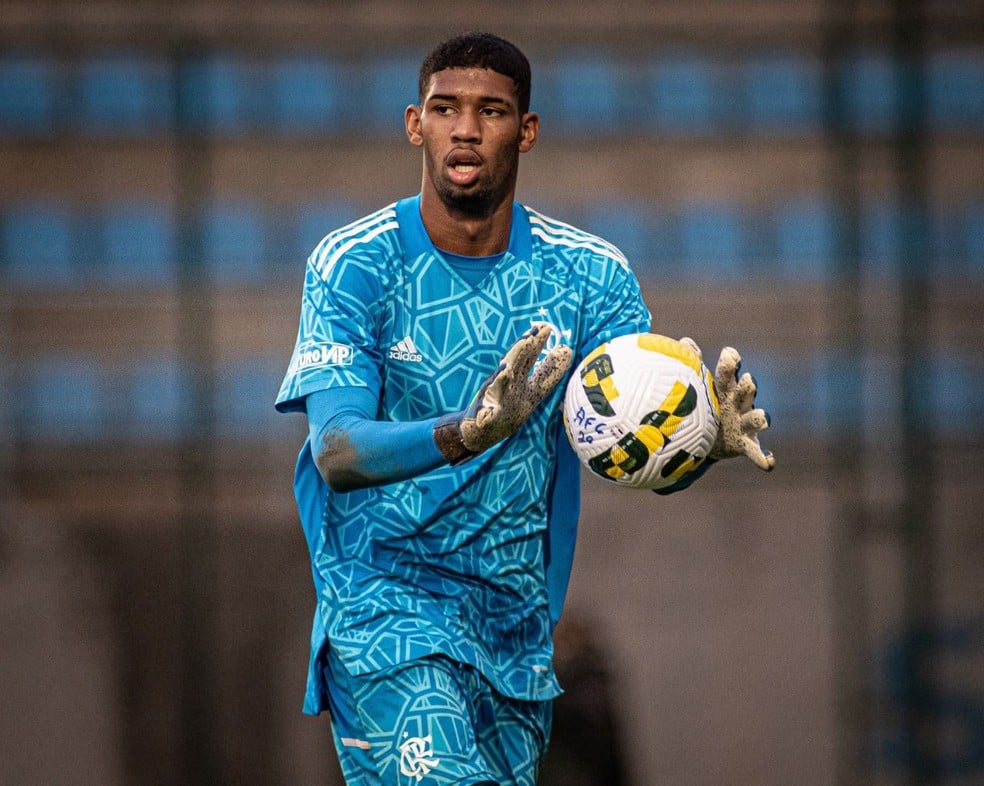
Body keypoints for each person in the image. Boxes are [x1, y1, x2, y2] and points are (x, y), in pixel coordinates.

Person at [275, 31, 774, 786]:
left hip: (515, 632)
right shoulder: (355, 263)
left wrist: (702, 446)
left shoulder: (590, 277)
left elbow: (630, 442)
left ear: (527, 130)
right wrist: (470, 431)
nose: (466, 129)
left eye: (491, 111)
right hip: (386, 617)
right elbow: (337, 452)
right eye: (445, 109)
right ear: (416, 124)